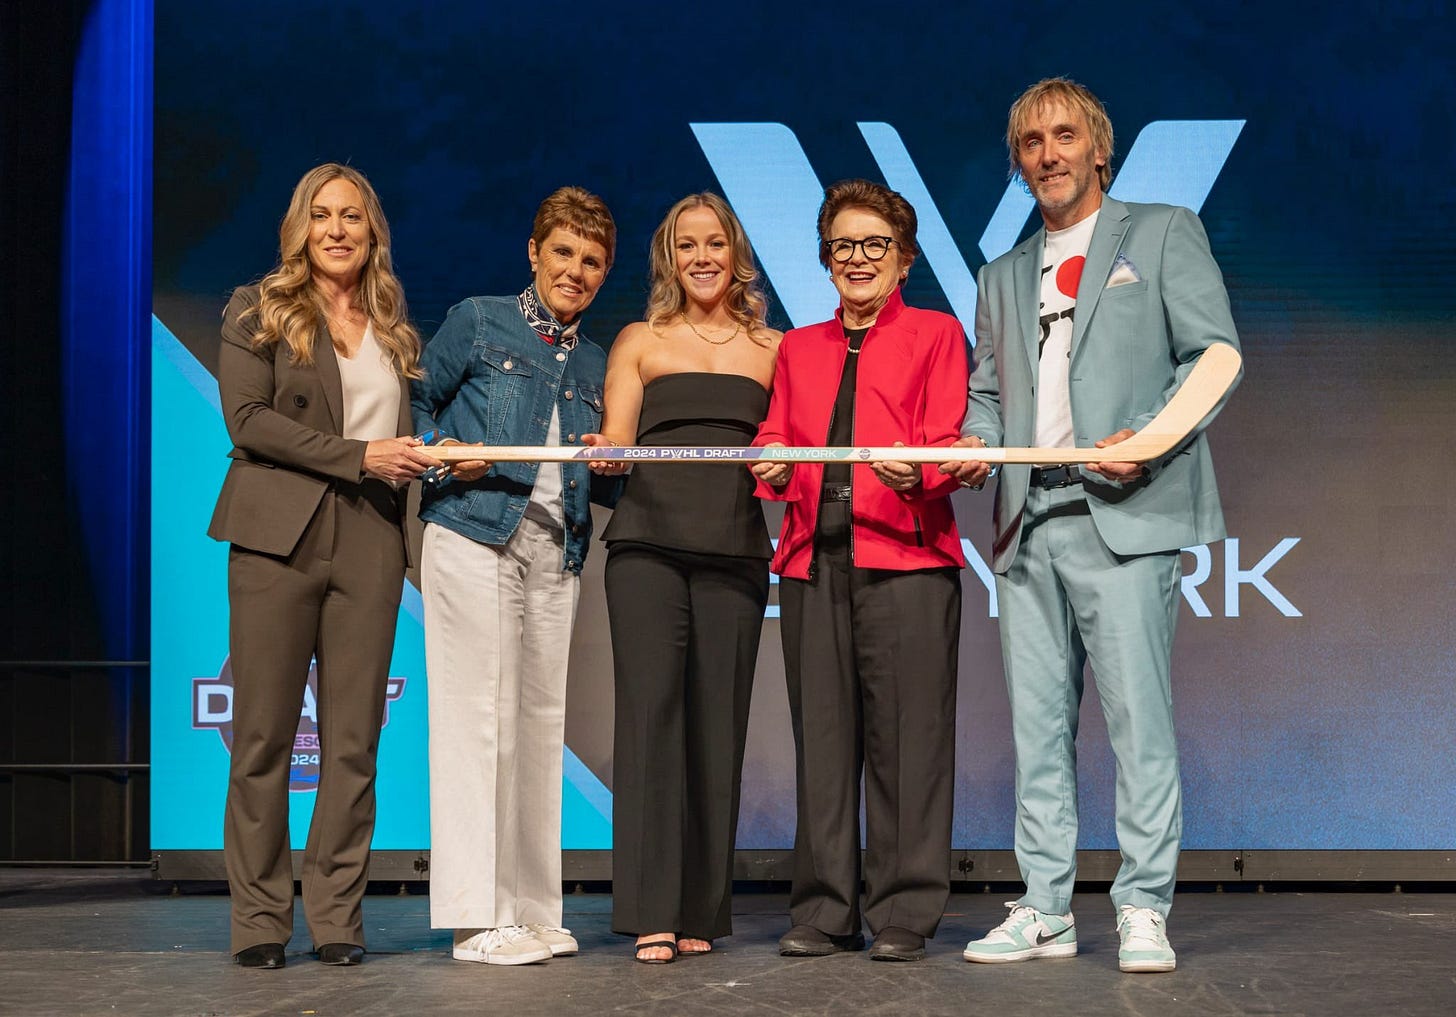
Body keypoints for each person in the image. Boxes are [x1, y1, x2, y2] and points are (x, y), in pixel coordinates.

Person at [943, 78, 1242, 973]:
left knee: (1138, 723)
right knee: (1038, 730)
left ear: (1097, 149)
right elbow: (991, 396)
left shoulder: (1160, 231)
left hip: (1125, 516)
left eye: (1063, 135)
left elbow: (1216, 352)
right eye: (1031, 142)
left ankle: (1144, 903)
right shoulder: (1000, 273)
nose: (1047, 154)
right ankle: (1045, 906)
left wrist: (1147, 443)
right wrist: (974, 442)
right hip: (1027, 524)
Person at [209, 163, 438, 969]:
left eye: (352, 216)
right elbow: (249, 422)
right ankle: (261, 921)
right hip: (278, 538)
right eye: (321, 215)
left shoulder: (394, 326)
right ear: (299, 228)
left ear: (373, 230)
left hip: (371, 539)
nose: (336, 229)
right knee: (265, 739)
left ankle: (337, 917)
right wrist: (359, 455)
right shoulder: (259, 308)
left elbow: (407, 441)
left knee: (352, 744)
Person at [750, 179, 969, 963]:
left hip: (906, 558)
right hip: (813, 558)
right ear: (825, 258)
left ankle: (905, 908)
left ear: (904, 257)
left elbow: (946, 436)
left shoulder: (938, 334)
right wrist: (769, 466)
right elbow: (775, 435)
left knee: (909, 742)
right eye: (843, 245)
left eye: (876, 244)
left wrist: (926, 474)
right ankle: (825, 907)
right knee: (825, 739)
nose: (858, 258)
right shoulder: (798, 345)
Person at [410, 186, 619, 966]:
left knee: (538, 727)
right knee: (476, 721)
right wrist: (437, 449)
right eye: (562, 252)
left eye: (592, 260)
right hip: (471, 530)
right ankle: (475, 917)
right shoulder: (480, 318)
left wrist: (609, 459)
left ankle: (531, 909)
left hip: (554, 549)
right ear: (534, 252)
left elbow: (603, 478)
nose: (575, 270)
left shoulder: (596, 361)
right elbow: (413, 395)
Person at [589, 193, 782, 964]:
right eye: (685, 245)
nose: (702, 257)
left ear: (736, 252)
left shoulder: (775, 347)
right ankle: (649, 911)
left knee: (716, 725)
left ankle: (700, 907)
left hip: (734, 546)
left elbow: (788, 446)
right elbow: (618, 437)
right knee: (650, 722)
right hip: (647, 546)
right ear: (669, 258)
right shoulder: (640, 339)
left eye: (715, 243)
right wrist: (604, 452)